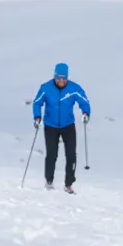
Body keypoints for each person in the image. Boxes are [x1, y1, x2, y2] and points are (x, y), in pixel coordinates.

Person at [32, 62, 91, 194]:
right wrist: (37, 117)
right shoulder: (46, 88)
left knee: (71, 155)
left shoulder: (74, 88)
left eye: (64, 78)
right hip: (50, 126)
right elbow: (37, 103)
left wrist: (86, 113)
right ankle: (49, 180)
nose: (61, 81)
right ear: (54, 76)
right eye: (58, 78)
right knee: (51, 155)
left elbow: (84, 101)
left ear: (67, 78)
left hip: (68, 125)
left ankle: (68, 184)